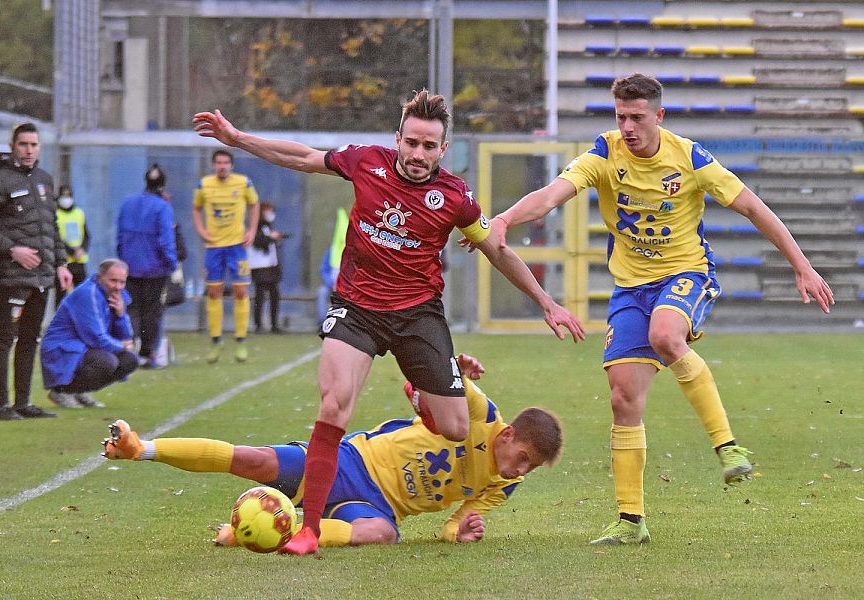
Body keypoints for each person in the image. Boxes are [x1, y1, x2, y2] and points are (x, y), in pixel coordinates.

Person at [193, 89, 586, 555]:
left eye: (429, 146)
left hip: (418, 314)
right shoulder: (365, 162)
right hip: (357, 307)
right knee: (334, 406)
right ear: (397, 139)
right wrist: (238, 139)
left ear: (443, 149)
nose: (418, 154)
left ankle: (419, 392)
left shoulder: (456, 197)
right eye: (411, 143)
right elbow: (303, 157)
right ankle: (309, 531)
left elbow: (496, 251)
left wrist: (546, 302)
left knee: (456, 427)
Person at [488, 73, 835, 545]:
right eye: (621, 117)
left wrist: (802, 266)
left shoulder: (689, 157)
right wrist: (506, 218)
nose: (628, 127)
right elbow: (551, 195)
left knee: (666, 335)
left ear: (659, 115)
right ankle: (631, 521)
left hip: (685, 274)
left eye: (637, 117)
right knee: (622, 398)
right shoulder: (604, 153)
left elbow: (753, 208)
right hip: (631, 288)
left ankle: (728, 448)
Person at [102, 354, 562, 548]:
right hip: (351, 461)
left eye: (531, 468)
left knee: (381, 535)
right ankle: (142, 448)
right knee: (254, 460)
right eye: (523, 457)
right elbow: (428, 376)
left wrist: (460, 532)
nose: (520, 470)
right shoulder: (480, 413)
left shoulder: (504, 485)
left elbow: (452, 525)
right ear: (507, 435)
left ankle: (277, 531)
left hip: (378, 506)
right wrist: (452, 369)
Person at [0, 122, 73, 420]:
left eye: (33, 145)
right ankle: (2, 406)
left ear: (39, 147)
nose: (29, 150)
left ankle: (23, 402)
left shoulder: (44, 180)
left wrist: (61, 263)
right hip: (11, 276)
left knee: (31, 338)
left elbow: (51, 229)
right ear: (12, 147)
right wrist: (13, 249)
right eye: (23, 144)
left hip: (42, 276)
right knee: (6, 337)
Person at [41, 258, 138, 409]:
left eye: (122, 282)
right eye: (113, 280)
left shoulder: (117, 296)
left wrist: (121, 315)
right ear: (100, 277)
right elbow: (96, 338)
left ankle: (80, 391)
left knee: (130, 360)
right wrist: (121, 346)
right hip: (62, 350)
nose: (118, 287)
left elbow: (126, 337)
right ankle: (61, 391)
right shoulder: (88, 294)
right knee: (107, 361)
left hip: (84, 347)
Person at [192, 149, 260, 363]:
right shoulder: (204, 185)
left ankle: (240, 340)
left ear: (231, 165)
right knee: (214, 292)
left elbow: (254, 204)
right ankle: (216, 340)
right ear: (213, 165)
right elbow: (196, 208)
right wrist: (201, 230)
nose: (222, 166)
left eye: (225, 162)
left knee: (241, 291)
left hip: (237, 246)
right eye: (219, 163)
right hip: (214, 247)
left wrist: (252, 230)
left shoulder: (244, 183)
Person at [116, 164, 178, 369]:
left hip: (130, 266)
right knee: (151, 312)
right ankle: (147, 352)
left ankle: (129, 346)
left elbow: (120, 236)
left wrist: (123, 259)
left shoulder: (128, 203)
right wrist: (171, 263)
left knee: (131, 308)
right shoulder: (162, 207)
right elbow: (166, 240)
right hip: (155, 269)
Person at [248, 201, 285, 334]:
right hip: (260, 267)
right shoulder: (255, 227)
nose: (270, 214)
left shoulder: (267, 227)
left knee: (274, 295)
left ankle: (274, 324)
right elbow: (258, 241)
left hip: (271, 266)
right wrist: (270, 238)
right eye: (268, 211)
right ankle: (258, 324)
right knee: (260, 295)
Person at [54, 184, 90, 308]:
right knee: (61, 298)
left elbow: (86, 235)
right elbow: (56, 238)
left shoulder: (79, 213)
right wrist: (72, 251)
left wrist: (82, 249)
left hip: (79, 262)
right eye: (63, 196)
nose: (66, 199)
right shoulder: (56, 214)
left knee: (82, 296)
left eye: (68, 196)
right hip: (63, 262)